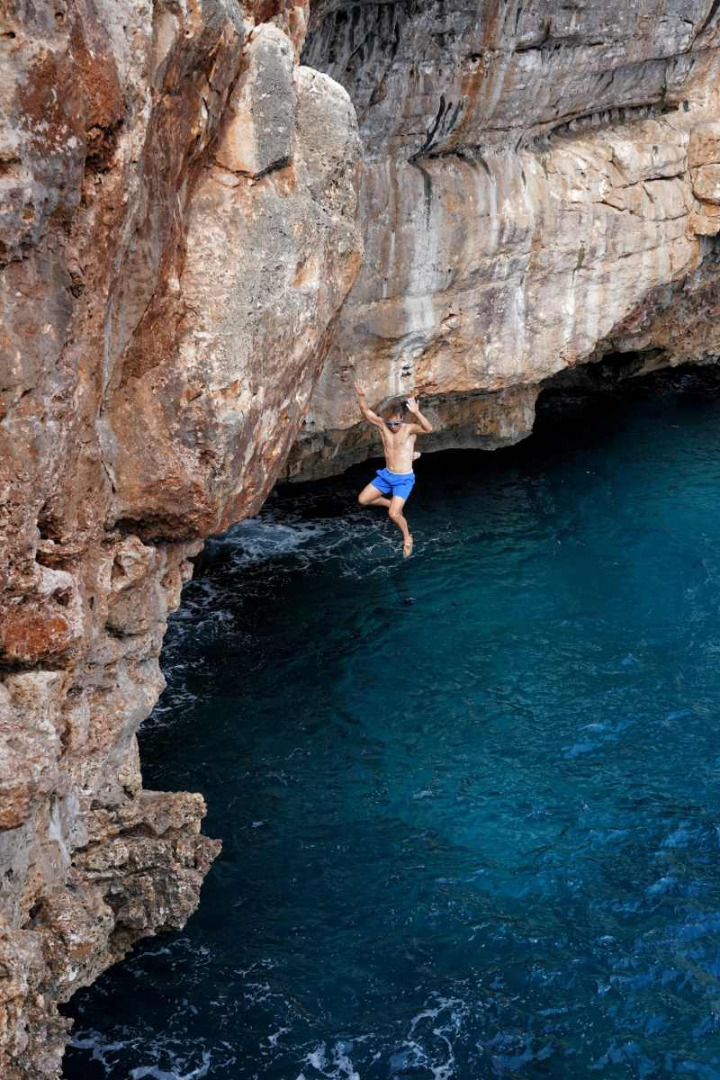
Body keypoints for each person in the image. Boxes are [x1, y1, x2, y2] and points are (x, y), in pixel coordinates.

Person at [354, 379, 433, 558]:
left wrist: (417, 412)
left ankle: (407, 537)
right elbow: (366, 412)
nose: (393, 427)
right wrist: (361, 396)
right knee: (363, 500)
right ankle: (392, 504)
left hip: (404, 479)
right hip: (387, 475)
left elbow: (428, 429)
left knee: (393, 514)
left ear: (401, 419)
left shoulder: (409, 428)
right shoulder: (384, 426)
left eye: (396, 423)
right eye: (390, 424)